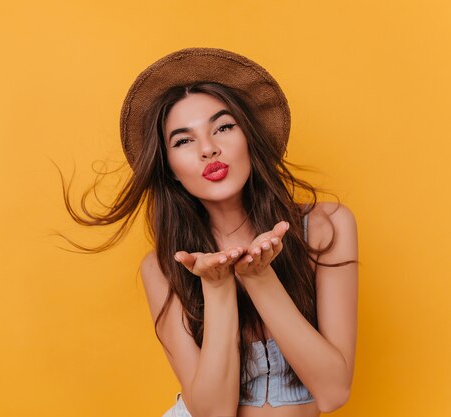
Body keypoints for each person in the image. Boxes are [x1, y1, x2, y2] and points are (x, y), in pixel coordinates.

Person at [58, 47, 358, 417]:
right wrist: (216, 288)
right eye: (183, 141)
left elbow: (333, 391)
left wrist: (259, 278)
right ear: (169, 168)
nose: (208, 149)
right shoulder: (164, 269)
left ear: (249, 137)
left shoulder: (326, 227)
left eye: (223, 127)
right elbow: (214, 414)